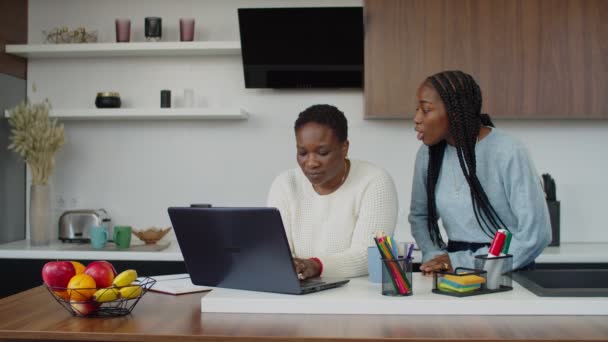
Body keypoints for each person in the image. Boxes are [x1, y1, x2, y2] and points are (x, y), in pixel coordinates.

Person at [408, 70, 551, 274]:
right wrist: (434, 257)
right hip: (455, 270)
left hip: (508, 268)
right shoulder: (427, 155)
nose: (417, 118)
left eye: (426, 109)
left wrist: (464, 262)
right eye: (417, 109)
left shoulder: (508, 151)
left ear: (455, 112)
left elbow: (536, 235)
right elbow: (420, 216)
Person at [267, 104, 398, 279]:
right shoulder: (285, 184)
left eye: (322, 152)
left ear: (344, 148)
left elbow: (368, 255)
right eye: (302, 152)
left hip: (356, 295)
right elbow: (277, 253)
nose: (311, 162)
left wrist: (315, 265)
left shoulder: (374, 181)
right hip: (298, 292)